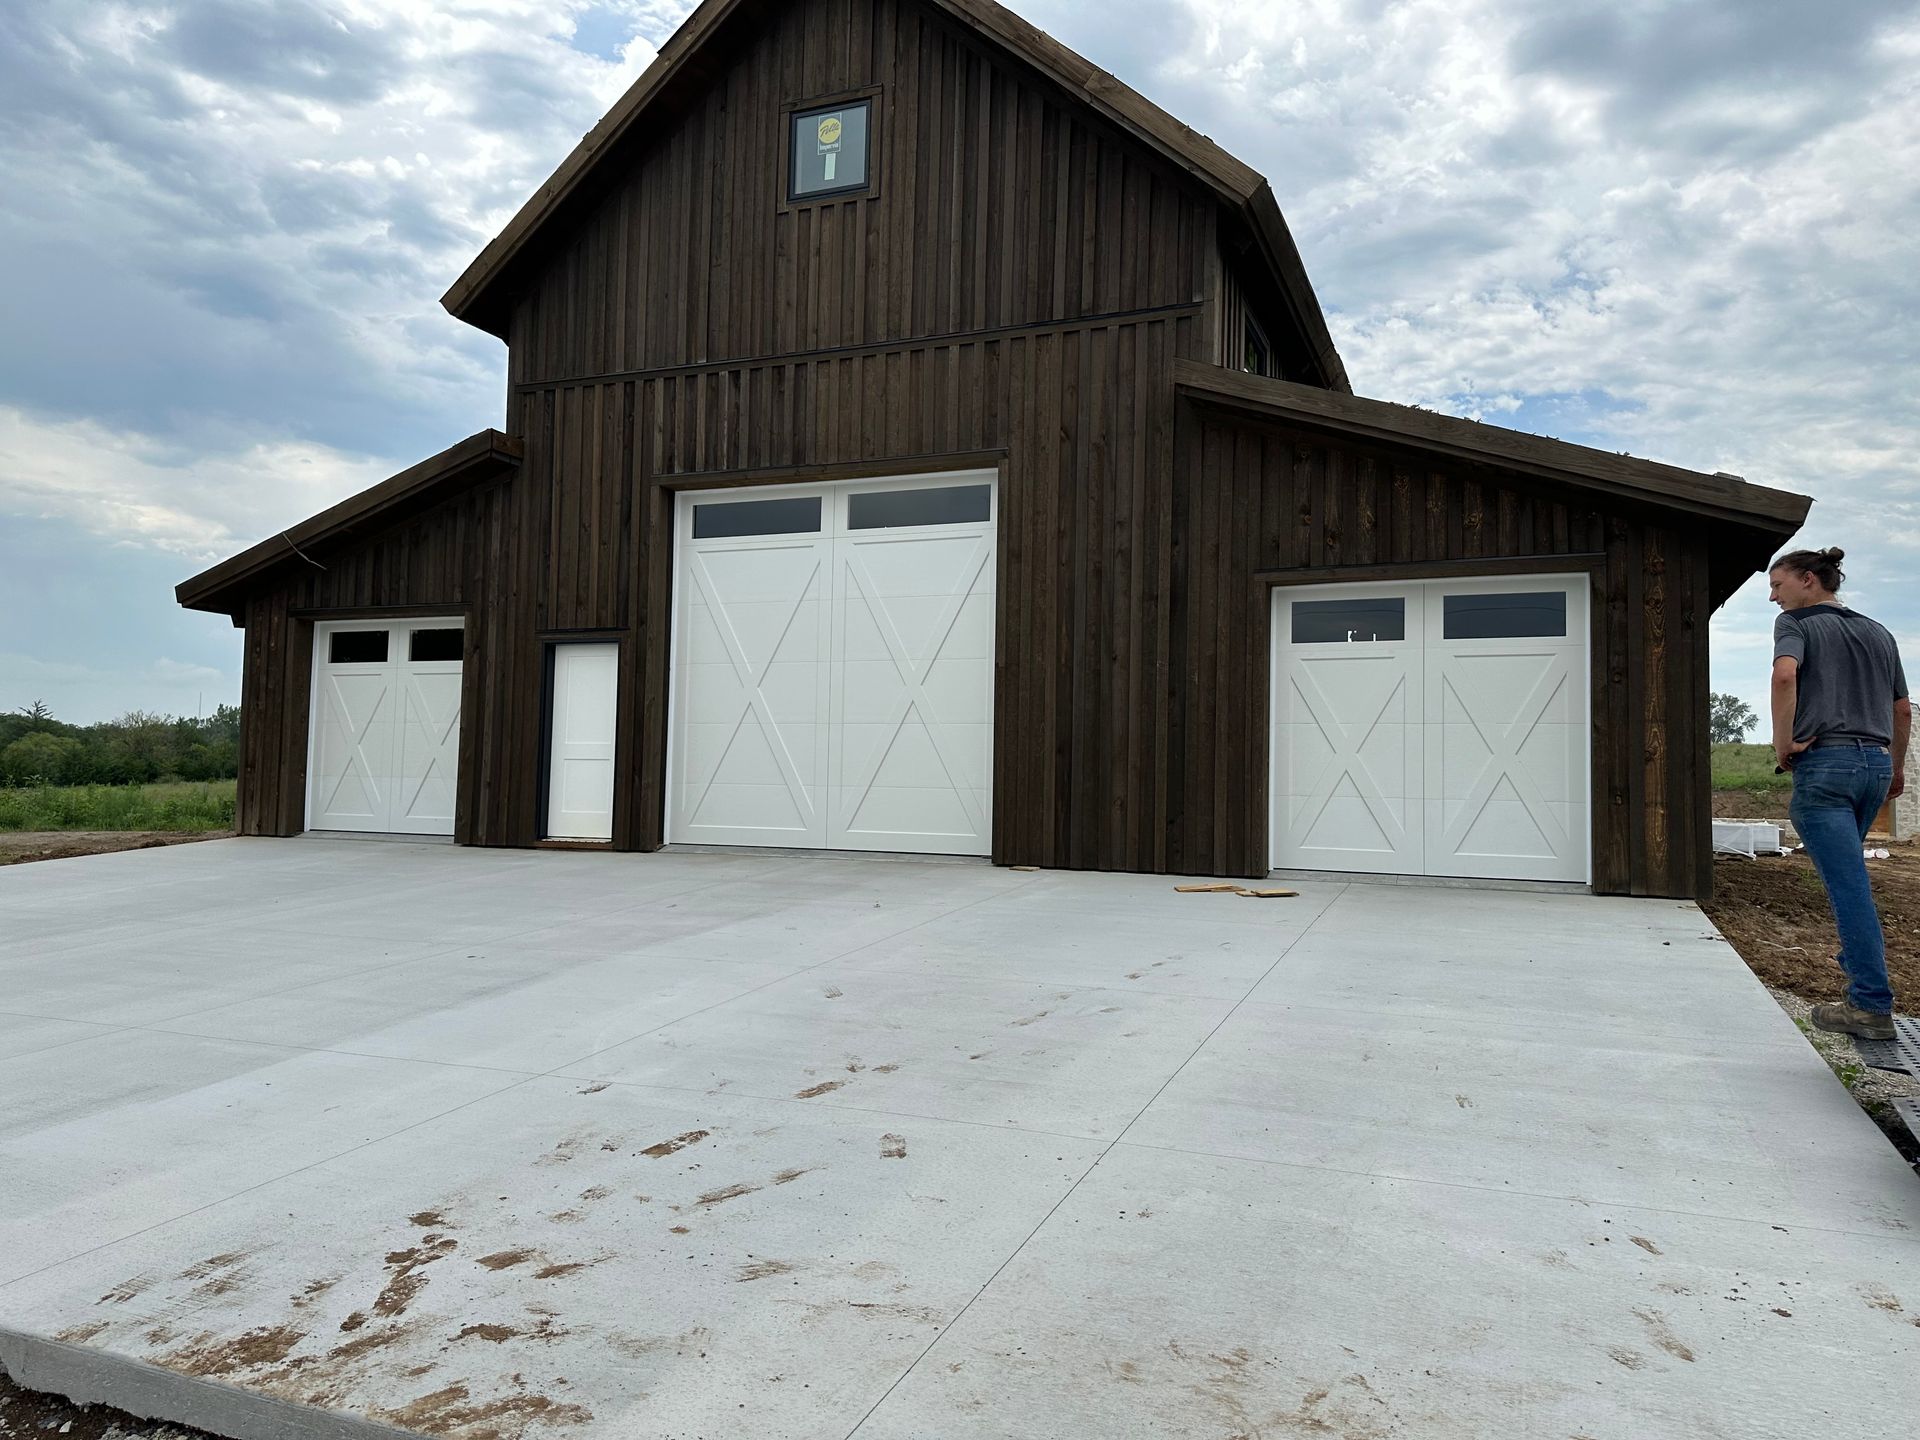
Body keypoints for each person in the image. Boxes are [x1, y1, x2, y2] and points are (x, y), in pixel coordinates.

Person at [1768, 546, 1911, 1039]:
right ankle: (1863, 990)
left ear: (1809, 580)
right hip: (1873, 764)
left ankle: (1870, 1004)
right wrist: (1893, 770)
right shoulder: (1879, 632)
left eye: (1777, 585)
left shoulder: (1797, 625)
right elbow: (1903, 709)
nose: (1773, 597)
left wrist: (1782, 741)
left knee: (1848, 886)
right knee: (1851, 878)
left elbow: (1785, 675)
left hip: (1825, 765)